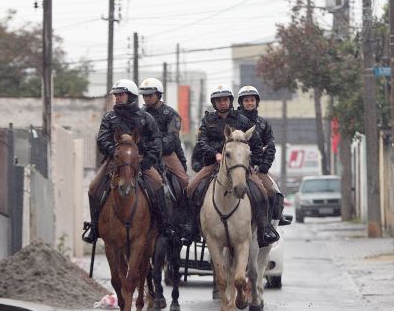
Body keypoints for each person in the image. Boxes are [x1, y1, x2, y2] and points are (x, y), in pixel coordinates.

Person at [182, 83, 280, 248]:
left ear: (230, 101)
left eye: (225, 100)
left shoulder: (242, 120)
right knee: (191, 188)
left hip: (238, 165)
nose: (223, 103)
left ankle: (265, 228)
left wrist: (251, 163)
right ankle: (191, 227)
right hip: (214, 164)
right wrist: (215, 154)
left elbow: (256, 144)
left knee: (263, 191)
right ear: (214, 103)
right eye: (219, 100)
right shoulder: (207, 120)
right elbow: (201, 142)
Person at [82, 79, 174, 244]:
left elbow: (157, 140)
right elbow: (102, 139)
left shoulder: (145, 118)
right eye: (116, 95)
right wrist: (114, 152)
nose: (117, 97)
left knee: (159, 184)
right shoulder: (109, 117)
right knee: (93, 187)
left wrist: (149, 159)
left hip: (141, 160)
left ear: (131, 96)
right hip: (115, 161)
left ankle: (164, 225)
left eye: (121, 94)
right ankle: (95, 227)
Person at [237, 85, 290, 226]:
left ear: (257, 102)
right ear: (241, 102)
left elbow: (270, 147)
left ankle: (270, 222)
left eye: (252, 100)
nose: (249, 103)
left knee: (272, 190)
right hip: (235, 166)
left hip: (257, 168)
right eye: (246, 100)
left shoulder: (264, 123)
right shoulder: (234, 121)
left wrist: (263, 166)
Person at [138, 77, 189, 191]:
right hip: (144, 153)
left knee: (184, 181)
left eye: (150, 95)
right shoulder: (139, 113)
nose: (146, 98)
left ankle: (185, 203)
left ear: (159, 95)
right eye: (144, 95)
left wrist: (155, 147)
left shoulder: (171, 114)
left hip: (166, 153)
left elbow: (172, 137)